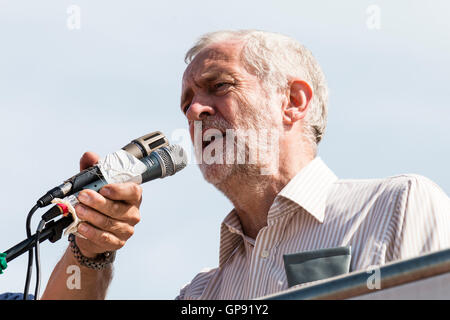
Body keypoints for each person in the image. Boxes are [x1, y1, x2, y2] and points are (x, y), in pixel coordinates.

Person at [41, 29, 449, 299]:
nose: (195, 110)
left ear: (292, 102)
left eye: (219, 86)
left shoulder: (397, 206)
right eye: (186, 103)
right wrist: (90, 248)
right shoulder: (201, 295)